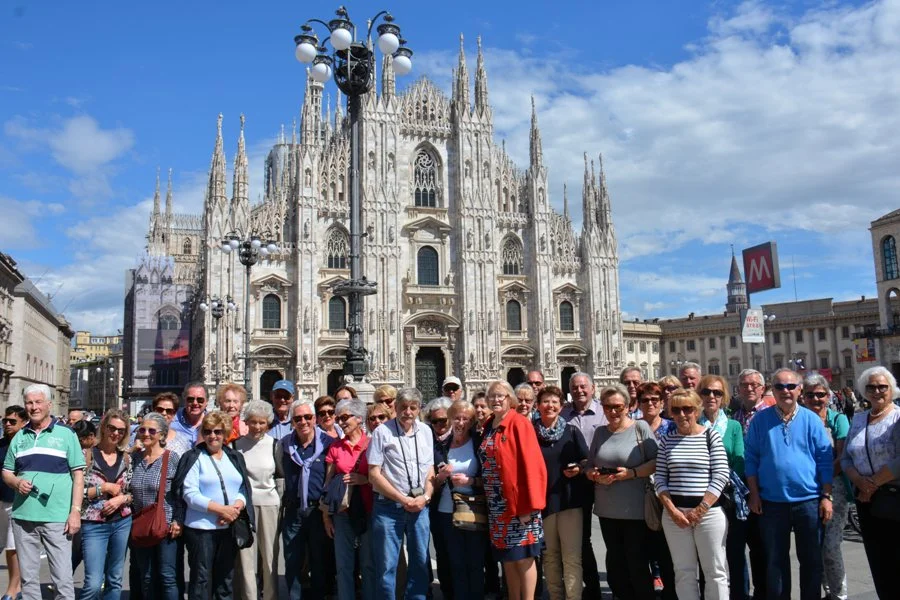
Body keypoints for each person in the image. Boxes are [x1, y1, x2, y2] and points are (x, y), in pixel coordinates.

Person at [745, 368, 834, 600]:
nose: (785, 391)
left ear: (800, 390)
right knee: (775, 561)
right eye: (779, 386)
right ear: (771, 390)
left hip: (809, 501)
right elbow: (751, 458)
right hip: (772, 502)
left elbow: (825, 460)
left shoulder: (811, 420)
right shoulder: (760, 420)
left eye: (791, 386)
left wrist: (826, 496)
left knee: (812, 560)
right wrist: (754, 494)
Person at [1, 383, 85, 599]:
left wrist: (75, 511)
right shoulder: (19, 437)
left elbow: (78, 475)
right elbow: (7, 472)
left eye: (38, 402)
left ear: (49, 404)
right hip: (23, 517)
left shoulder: (66, 434)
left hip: (57, 518)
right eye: (29, 402)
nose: (34, 407)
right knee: (28, 580)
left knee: (63, 580)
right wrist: (16, 483)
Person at [656, 388, 730, 600]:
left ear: (697, 411)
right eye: (676, 410)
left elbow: (721, 474)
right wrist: (671, 510)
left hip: (709, 513)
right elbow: (660, 478)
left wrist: (701, 509)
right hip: (674, 515)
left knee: (715, 571)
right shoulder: (667, 440)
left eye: (687, 409)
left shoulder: (710, 435)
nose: (681, 415)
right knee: (683, 572)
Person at [586, 383, 657, 600]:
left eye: (617, 406)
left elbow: (655, 462)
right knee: (615, 563)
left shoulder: (640, 428)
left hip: (635, 508)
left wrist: (631, 473)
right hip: (607, 509)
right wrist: (594, 475)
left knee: (636, 562)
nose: (613, 411)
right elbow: (590, 465)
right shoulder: (600, 432)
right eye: (607, 407)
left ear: (627, 406)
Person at [174, 411, 253, 600]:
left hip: (229, 527)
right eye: (208, 431)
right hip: (202, 529)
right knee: (201, 580)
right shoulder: (193, 456)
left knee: (225, 579)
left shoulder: (234, 456)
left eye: (217, 432)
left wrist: (236, 508)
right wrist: (221, 509)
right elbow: (190, 494)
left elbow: (243, 487)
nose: (212, 436)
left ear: (225, 433)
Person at [478, 380, 546, 600]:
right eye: (492, 396)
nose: (496, 400)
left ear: (510, 399)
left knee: (524, 557)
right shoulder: (489, 424)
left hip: (518, 503)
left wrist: (528, 505)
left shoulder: (519, 423)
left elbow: (533, 466)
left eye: (501, 396)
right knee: (508, 557)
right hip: (497, 504)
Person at [367, 388, 435, 600]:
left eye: (412, 408)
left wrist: (425, 497)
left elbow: (430, 469)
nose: (407, 412)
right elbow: (373, 474)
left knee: (420, 561)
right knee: (387, 566)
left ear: (418, 409)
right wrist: (403, 499)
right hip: (389, 507)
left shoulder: (425, 431)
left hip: (420, 506)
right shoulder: (382, 432)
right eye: (403, 407)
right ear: (395, 408)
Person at [839, 366, 900, 600]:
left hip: (893, 497)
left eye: (882, 386)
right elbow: (846, 457)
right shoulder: (859, 418)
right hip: (865, 500)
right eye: (871, 387)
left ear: (891, 389)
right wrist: (858, 481)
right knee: (878, 561)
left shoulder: (898, 416)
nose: (877, 391)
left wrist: (872, 483)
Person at [534, 385, 588, 600]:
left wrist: (579, 469)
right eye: (546, 401)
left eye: (554, 402)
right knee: (550, 556)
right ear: (538, 406)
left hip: (569, 501)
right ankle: (556, 597)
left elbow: (586, 460)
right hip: (543, 502)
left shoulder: (571, 430)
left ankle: (574, 597)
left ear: (561, 405)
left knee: (572, 557)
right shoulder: (530, 432)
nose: (550, 405)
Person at [801, 372, 850, 600]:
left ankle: (839, 594)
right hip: (808, 490)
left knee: (831, 546)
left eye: (820, 394)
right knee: (816, 545)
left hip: (833, 488)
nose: (815, 399)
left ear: (828, 396)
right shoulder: (799, 420)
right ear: (803, 397)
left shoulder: (837, 419)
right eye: (810, 395)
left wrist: (826, 487)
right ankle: (828, 592)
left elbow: (841, 457)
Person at [697, 375, 746, 600]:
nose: (711, 397)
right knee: (706, 555)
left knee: (735, 551)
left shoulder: (733, 425)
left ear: (724, 396)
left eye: (717, 392)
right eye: (706, 392)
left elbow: (738, 458)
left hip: (728, 496)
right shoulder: (694, 424)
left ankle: (740, 594)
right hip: (701, 497)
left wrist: (719, 481)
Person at [280, 399, 334, 600]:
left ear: (315, 419)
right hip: (294, 510)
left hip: (318, 511)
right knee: (292, 560)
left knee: (319, 559)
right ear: (292, 421)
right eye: (298, 418)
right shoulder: (285, 444)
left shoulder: (328, 444)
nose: (303, 422)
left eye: (308, 417)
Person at [432, 399, 485, 600]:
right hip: (447, 510)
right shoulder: (441, 446)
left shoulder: (479, 443)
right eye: (456, 418)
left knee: (474, 561)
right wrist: (442, 477)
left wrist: (471, 480)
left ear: (471, 422)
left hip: (473, 509)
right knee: (455, 562)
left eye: (465, 419)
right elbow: (433, 481)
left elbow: (490, 477)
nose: (460, 423)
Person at [322, 398, 374, 600]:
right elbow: (328, 485)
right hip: (343, 513)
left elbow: (384, 478)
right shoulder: (336, 448)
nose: (341, 422)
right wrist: (326, 516)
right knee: (344, 565)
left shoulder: (371, 445)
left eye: (345, 417)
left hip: (369, 510)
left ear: (359, 418)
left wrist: (364, 479)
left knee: (369, 564)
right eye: (339, 418)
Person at [559, 372, 605, 597]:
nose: (579, 390)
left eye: (583, 386)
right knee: (582, 538)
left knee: (613, 537)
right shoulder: (563, 413)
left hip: (606, 481)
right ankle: (592, 587)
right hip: (577, 483)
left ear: (593, 388)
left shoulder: (606, 412)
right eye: (575, 387)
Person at [81, 409, 134, 600]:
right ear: (103, 428)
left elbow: (131, 493)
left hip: (122, 522)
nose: (116, 433)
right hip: (93, 524)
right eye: (112, 428)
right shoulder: (87, 455)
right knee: (94, 583)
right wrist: (102, 488)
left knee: (115, 579)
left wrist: (122, 498)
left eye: (121, 430)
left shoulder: (127, 458)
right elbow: (75, 492)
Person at [234, 400, 283, 600]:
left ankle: (270, 596)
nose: (257, 427)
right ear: (246, 421)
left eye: (262, 422)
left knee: (270, 556)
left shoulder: (274, 445)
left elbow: (280, 476)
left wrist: (279, 500)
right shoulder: (236, 445)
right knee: (244, 556)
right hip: (245, 506)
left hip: (270, 504)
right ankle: (249, 596)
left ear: (268, 423)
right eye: (253, 422)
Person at [130, 411, 182, 600]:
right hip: (141, 526)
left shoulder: (172, 458)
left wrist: (177, 519)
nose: (146, 434)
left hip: (165, 525)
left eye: (152, 430)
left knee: (167, 576)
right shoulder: (135, 459)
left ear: (162, 435)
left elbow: (180, 493)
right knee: (146, 576)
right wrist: (130, 451)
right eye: (142, 429)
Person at [731, 368, 771, 599]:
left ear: (762, 388)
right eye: (745, 385)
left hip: (764, 489)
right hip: (738, 490)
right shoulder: (732, 417)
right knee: (737, 547)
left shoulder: (771, 414)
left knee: (761, 546)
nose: (749, 388)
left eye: (754, 384)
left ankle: (763, 592)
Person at [637, 383, 676, 599]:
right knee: (641, 549)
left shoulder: (672, 427)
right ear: (639, 403)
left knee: (667, 550)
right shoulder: (632, 427)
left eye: (655, 399)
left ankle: (670, 592)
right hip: (638, 496)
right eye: (645, 400)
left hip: (667, 496)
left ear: (662, 403)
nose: (650, 403)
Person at [425, 395, 454, 598]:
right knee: (442, 550)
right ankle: (447, 590)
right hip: (436, 503)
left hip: (461, 503)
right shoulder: (427, 441)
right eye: (434, 421)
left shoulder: (462, 437)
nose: (439, 425)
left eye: (443, 421)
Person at [0, 405, 26, 600]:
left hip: (17, 502)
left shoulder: (26, 444)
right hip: (0, 501)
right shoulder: (0, 444)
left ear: (23, 423)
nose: (7, 424)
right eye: (5, 421)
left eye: (12, 421)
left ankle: (13, 588)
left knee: (12, 547)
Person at [169, 381, 208, 449]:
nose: (195, 403)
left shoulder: (214, 423)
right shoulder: (172, 420)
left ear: (206, 402)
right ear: (184, 400)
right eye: (190, 399)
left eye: (200, 399)